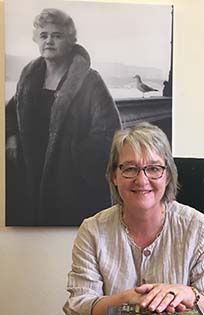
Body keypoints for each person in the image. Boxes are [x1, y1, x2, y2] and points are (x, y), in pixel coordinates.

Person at [63, 122, 204, 315]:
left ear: (168, 175)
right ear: (114, 176)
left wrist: (190, 295)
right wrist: (125, 301)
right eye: (130, 168)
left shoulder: (197, 227)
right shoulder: (92, 231)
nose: (142, 180)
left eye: (153, 168)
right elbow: (79, 310)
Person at [5, 8, 121, 226]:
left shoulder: (90, 81)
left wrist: (74, 154)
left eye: (57, 35)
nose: (49, 41)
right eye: (43, 35)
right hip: (30, 173)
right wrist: (11, 138)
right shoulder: (29, 78)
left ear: (70, 41)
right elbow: (11, 114)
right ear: (36, 39)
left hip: (69, 181)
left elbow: (109, 131)